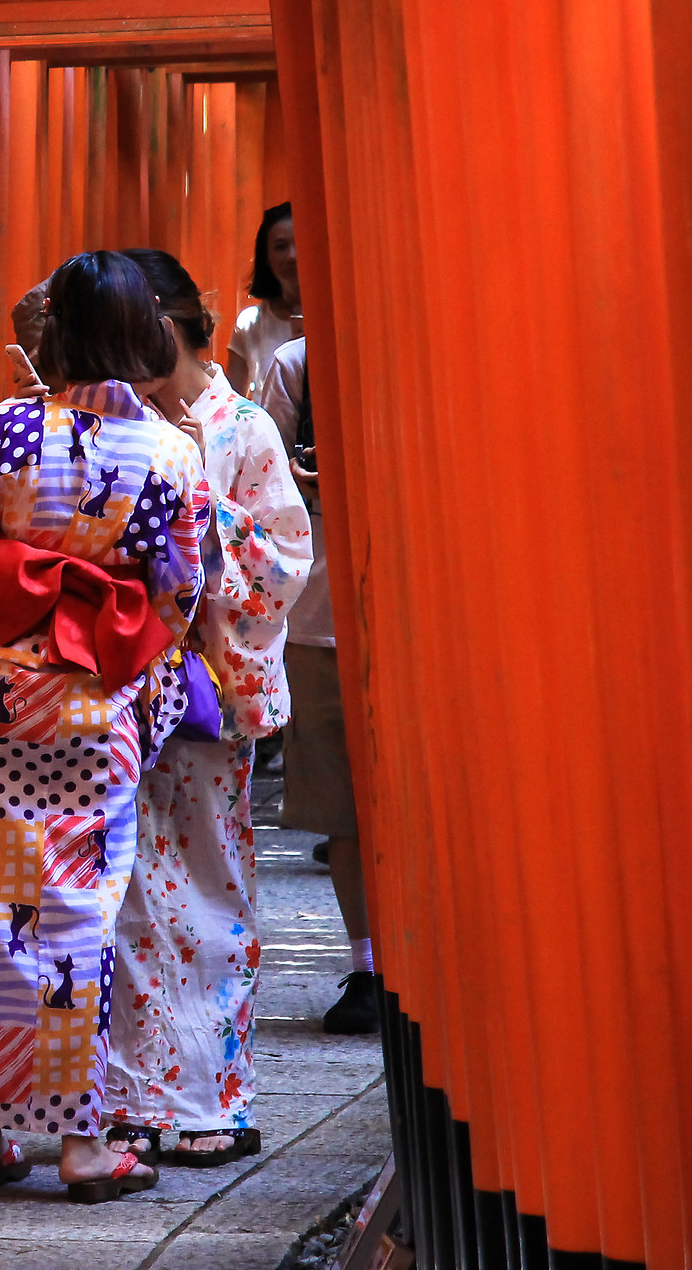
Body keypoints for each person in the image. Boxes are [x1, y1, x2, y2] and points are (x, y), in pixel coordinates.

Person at [0, 251, 207, 1204]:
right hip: (90, 703)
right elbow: (179, 587)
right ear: (148, 332)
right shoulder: (168, 453)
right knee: (73, 908)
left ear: (55, 337)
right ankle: (80, 1145)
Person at [103, 250, 312, 1165]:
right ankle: (124, 1095)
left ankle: (209, 1097)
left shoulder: (245, 428)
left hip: (200, 694)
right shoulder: (110, 426)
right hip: (108, 692)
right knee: (116, 896)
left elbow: (282, 560)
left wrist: (194, 515)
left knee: (204, 893)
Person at [258, 337, 377, 1035]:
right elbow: (262, 494)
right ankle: (367, 965)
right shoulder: (298, 364)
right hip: (320, 616)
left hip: (430, 620)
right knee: (344, 812)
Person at [224, 203, 301, 400]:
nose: (291, 256)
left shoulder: (336, 316)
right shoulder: (250, 324)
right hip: (270, 428)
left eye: (300, 242)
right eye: (280, 247)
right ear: (266, 255)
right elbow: (233, 401)